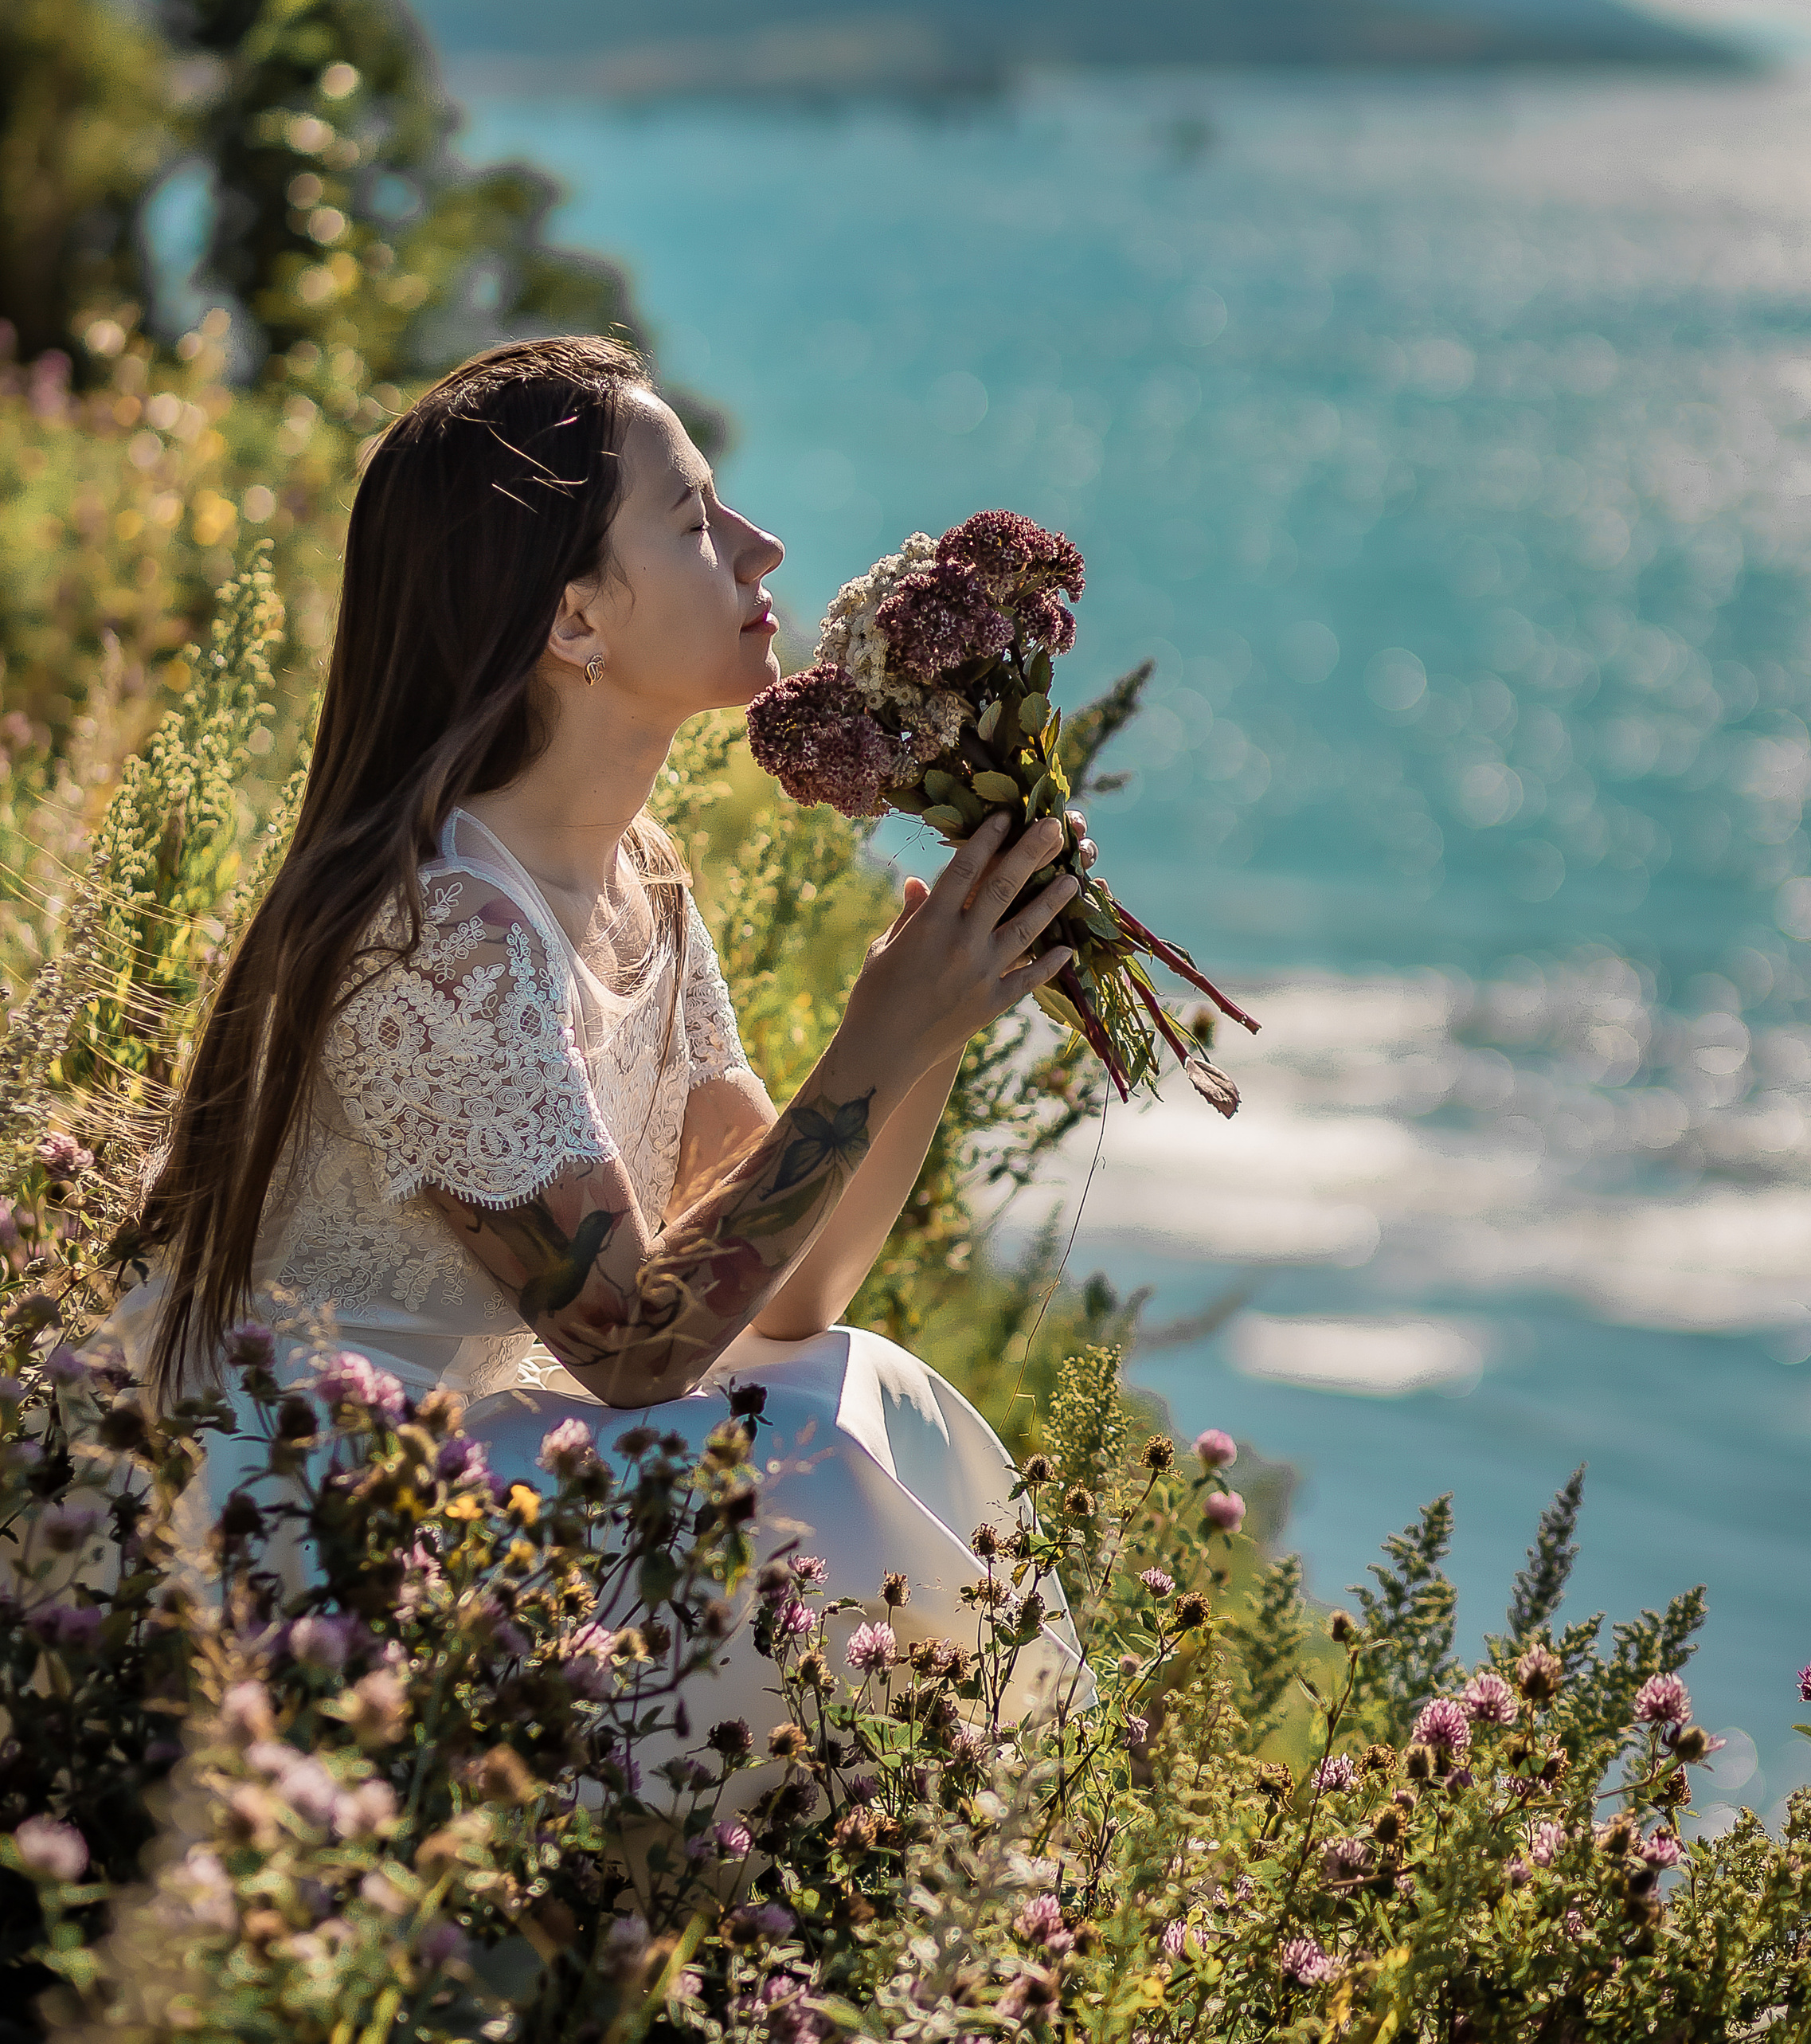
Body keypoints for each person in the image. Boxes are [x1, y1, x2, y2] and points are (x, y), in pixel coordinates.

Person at [112, 332, 1090, 1756]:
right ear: (575, 623)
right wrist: (875, 1040)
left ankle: (948, 1850)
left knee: (853, 1383)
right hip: (300, 1515)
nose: (761, 549)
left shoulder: (639, 876)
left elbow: (790, 1292)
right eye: (694, 522)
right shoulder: (439, 939)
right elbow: (638, 1351)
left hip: (472, 1452)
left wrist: (937, 1019)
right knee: (793, 1461)